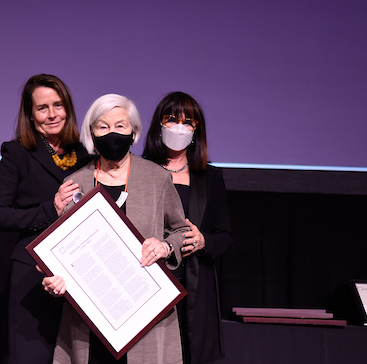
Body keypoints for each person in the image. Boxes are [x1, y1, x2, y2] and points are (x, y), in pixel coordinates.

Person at [43, 93, 189, 364]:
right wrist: (56, 280)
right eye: (103, 126)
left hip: (144, 315)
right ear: (92, 133)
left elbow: (180, 231)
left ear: (134, 132)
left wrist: (165, 246)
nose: (112, 133)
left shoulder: (157, 178)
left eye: (120, 126)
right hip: (90, 321)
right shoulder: (75, 183)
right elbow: (62, 253)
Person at [0, 74, 92, 364]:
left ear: (68, 108)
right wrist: (50, 210)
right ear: (31, 116)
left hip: (79, 274)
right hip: (32, 275)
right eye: (42, 108)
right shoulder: (18, 153)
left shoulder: (85, 155)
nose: (52, 114)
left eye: (58, 105)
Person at [142, 92, 234, 364]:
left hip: (195, 282)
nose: (180, 127)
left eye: (188, 122)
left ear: (197, 131)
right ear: (159, 125)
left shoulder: (210, 177)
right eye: (172, 120)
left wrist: (204, 241)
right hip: (150, 278)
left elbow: (225, 235)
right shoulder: (141, 169)